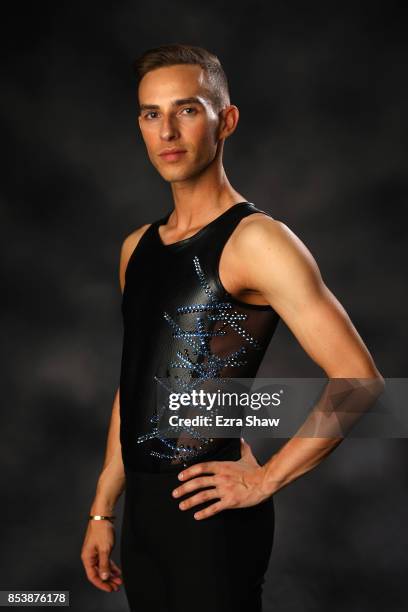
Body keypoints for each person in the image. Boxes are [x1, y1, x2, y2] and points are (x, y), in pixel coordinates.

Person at [80, 43, 384, 612]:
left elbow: (360, 382)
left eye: (188, 109)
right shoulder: (136, 249)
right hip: (143, 517)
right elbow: (140, 381)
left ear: (227, 120)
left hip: (213, 518)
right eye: (152, 114)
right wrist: (103, 505)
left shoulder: (258, 241)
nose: (167, 130)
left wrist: (266, 478)